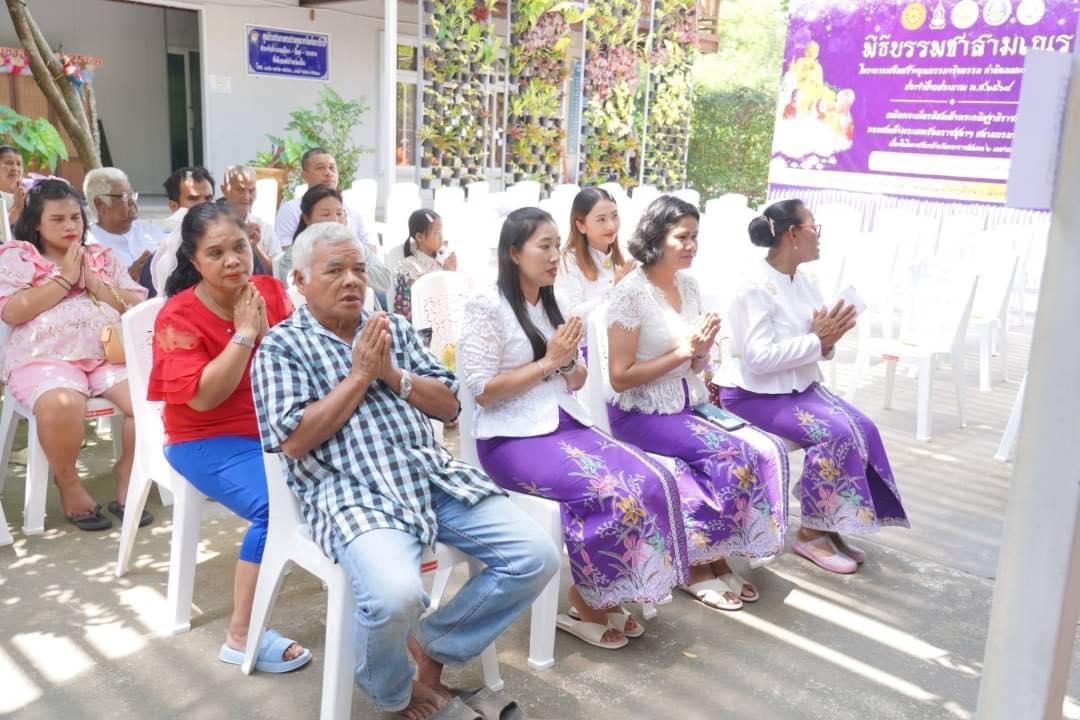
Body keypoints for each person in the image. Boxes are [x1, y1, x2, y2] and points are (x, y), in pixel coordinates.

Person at [251, 221, 558, 720]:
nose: (353, 280)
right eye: (335, 270)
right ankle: (393, 693)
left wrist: (392, 373)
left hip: (430, 475)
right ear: (301, 280)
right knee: (394, 597)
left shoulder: (388, 327)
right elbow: (296, 440)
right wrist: (359, 376)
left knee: (535, 556)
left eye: (358, 268)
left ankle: (434, 647)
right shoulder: (282, 347)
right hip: (351, 491)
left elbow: (448, 407)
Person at [459, 207, 688, 651]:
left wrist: (562, 363)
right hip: (510, 439)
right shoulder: (485, 305)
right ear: (513, 252)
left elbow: (579, 377)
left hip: (564, 421)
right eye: (543, 246)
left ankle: (610, 590)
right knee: (605, 487)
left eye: (554, 246)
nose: (552, 256)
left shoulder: (552, 302)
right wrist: (548, 362)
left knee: (648, 477)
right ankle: (586, 599)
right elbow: (482, 391)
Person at [605, 195, 789, 611]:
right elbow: (620, 376)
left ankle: (718, 555)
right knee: (723, 453)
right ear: (656, 238)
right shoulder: (630, 295)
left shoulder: (689, 286)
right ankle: (695, 565)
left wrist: (701, 351)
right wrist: (684, 351)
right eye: (682, 237)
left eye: (695, 237)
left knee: (750, 449)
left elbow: (696, 362)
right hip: (640, 412)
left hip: (688, 403)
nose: (691, 246)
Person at [148, 202, 310, 673]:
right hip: (205, 438)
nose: (233, 261)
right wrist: (243, 335)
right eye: (215, 253)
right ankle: (241, 635)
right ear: (194, 261)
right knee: (275, 507)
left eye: (239, 247)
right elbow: (202, 399)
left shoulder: (269, 290)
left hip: (273, 426)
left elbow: (297, 360)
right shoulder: (177, 318)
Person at [718, 199, 909, 574]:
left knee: (864, 428)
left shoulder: (807, 282)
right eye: (814, 228)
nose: (818, 237)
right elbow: (757, 358)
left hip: (798, 390)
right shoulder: (753, 287)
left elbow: (817, 345)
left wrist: (828, 339)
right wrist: (817, 341)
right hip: (753, 396)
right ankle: (810, 532)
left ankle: (828, 523)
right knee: (835, 433)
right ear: (793, 234)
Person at [0, 179, 148, 530]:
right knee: (62, 404)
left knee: (150, 399)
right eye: (57, 219)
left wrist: (94, 283)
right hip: (44, 359)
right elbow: (12, 311)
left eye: (75, 218)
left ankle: (127, 473)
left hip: (106, 354)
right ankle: (68, 483)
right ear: (36, 222)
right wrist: (65, 280)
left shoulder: (99, 257)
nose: (70, 226)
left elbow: (135, 303)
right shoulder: (19, 257)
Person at [280, 184, 392, 306]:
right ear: (307, 219)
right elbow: (295, 289)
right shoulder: (295, 255)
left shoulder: (355, 248)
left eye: (339, 213)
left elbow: (384, 279)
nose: (334, 220)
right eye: (325, 214)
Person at [273, 147, 376, 257]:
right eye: (320, 168)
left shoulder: (354, 208)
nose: (328, 173)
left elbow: (371, 250)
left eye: (332, 168)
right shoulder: (290, 210)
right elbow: (284, 253)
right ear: (304, 176)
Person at [554, 187, 636, 320]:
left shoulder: (626, 254)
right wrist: (615, 291)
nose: (611, 226)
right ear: (581, 226)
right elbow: (572, 315)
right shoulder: (569, 261)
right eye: (601, 219)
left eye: (615, 216)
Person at [83, 167, 163, 288]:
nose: (132, 201)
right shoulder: (89, 243)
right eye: (125, 196)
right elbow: (97, 291)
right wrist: (129, 278)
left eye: (132, 195)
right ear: (100, 205)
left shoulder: (150, 230)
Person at [148, 166, 216, 294]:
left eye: (208, 198)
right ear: (174, 207)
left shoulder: (233, 241)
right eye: (193, 199)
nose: (203, 205)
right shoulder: (162, 252)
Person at [392, 209, 457, 322]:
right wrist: (447, 275)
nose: (442, 238)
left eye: (441, 232)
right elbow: (407, 311)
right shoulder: (407, 267)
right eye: (437, 233)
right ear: (420, 237)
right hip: (423, 330)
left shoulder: (441, 263)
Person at [221, 164, 281, 272]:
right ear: (224, 190)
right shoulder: (212, 224)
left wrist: (256, 247)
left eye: (252, 190)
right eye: (240, 190)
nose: (247, 197)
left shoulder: (264, 227)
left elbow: (277, 272)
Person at [0, 145, 26, 227]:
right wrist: (16, 208)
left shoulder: (29, 196)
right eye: (8, 163)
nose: (15, 168)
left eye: (19, 164)